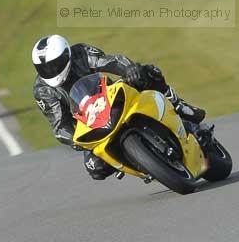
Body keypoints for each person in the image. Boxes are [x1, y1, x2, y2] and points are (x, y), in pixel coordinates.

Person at [32, 35, 207, 180]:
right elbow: (59, 125)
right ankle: (143, 164)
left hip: (110, 96)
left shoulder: (80, 53)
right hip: (89, 123)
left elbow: (111, 61)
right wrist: (75, 141)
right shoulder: (42, 90)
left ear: (66, 56)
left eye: (54, 65)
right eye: (44, 68)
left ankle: (178, 104)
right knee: (95, 168)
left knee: (148, 72)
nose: (50, 70)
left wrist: (129, 69)